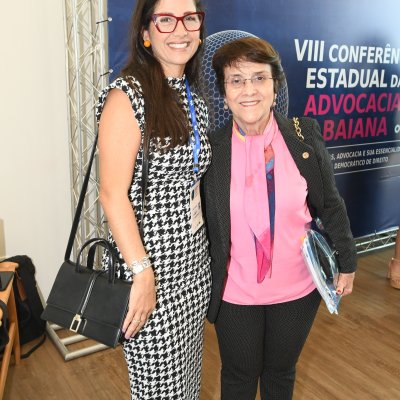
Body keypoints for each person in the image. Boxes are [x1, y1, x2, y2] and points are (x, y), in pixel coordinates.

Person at [203, 37, 357, 400]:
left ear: (275, 85)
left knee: (280, 375)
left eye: (259, 78)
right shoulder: (211, 151)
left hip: (297, 290)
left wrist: (347, 262)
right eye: (236, 80)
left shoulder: (303, 138)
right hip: (236, 293)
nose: (249, 90)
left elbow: (330, 205)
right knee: (239, 377)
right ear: (224, 92)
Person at [96, 0, 211, 399]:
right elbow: (111, 193)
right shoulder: (127, 95)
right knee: (159, 391)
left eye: (190, 18)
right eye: (166, 19)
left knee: (187, 384)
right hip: (150, 271)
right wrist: (142, 274)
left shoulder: (191, 96)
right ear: (146, 32)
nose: (180, 29)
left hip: (193, 268)